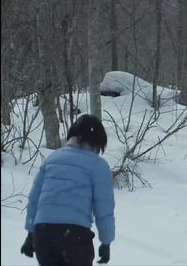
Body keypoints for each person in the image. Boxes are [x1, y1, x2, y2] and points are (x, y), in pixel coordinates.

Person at [20, 114, 115, 266]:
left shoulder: (52, 159)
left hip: (44, 233)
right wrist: (106, 242)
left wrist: (30, 233)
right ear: (98, 142)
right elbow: (104, 208)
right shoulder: (98, 166)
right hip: (75, 236)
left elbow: (34, 199)